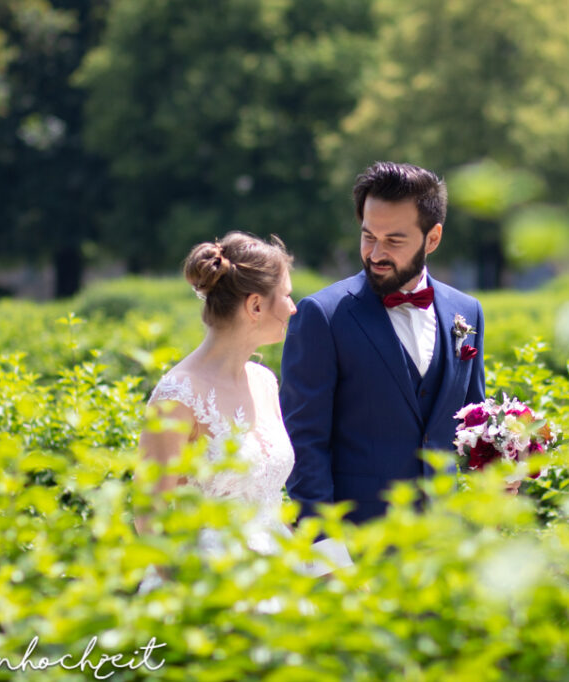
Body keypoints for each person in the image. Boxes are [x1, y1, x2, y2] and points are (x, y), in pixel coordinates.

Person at [280, 161, 487, 525]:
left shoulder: (467, 311)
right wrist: (325, 551)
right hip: (357, 547)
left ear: (433, 238)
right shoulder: (322, 315)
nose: (376, 254)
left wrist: (500, 471)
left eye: (393, 240)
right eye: (368, 236)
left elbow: (473, 421)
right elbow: (304, 444)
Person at [135, 232, 314, 591]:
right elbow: (148, 517)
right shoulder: (177, 395)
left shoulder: (264, 382)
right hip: (206, 589)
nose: (294, 307)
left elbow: (269, 502)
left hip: (276, 582)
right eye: (286, 294)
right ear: (255, 306)